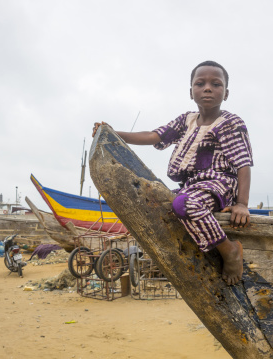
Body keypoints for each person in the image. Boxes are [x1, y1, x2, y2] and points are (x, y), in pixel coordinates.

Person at [92, 60, 253, 285]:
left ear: (226, 93)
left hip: (219, 183)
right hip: (191, 185)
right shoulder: (185, 120)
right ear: (191, 92)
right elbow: (154, 136)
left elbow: (243, 164)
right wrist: (112, 133)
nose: (207, 88)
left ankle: (229, 250)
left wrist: (242, 204)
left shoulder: (230, 123)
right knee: (156, 202)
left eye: (216, 84)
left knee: (183, 204)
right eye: (200, 83)